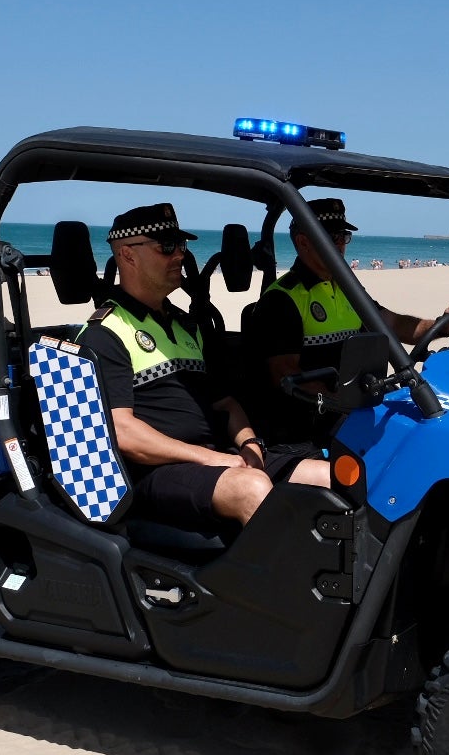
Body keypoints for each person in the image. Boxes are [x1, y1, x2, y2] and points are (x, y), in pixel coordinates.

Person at [82, 203, 330, 536]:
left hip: (215, 458)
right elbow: (122, 431)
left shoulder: (188, 327)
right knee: (252, 488)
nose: (180, 256)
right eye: (166, 246)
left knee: (329, 476)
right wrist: (207, 458)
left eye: (181, 245)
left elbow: (225, 404)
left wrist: (250, 444)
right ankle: (282, 585)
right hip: (156, 473)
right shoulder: (105, 333)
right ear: (128, 255)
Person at [249, 198, 449, 446]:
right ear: (303, 242)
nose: (341, 245)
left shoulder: (347, 287)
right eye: (332, 237)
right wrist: (344, 403)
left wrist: (442, 324)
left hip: (355, 410)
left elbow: (394, 324)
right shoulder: (282, 299)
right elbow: (285, 375)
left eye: (343, 237)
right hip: (309, 425)